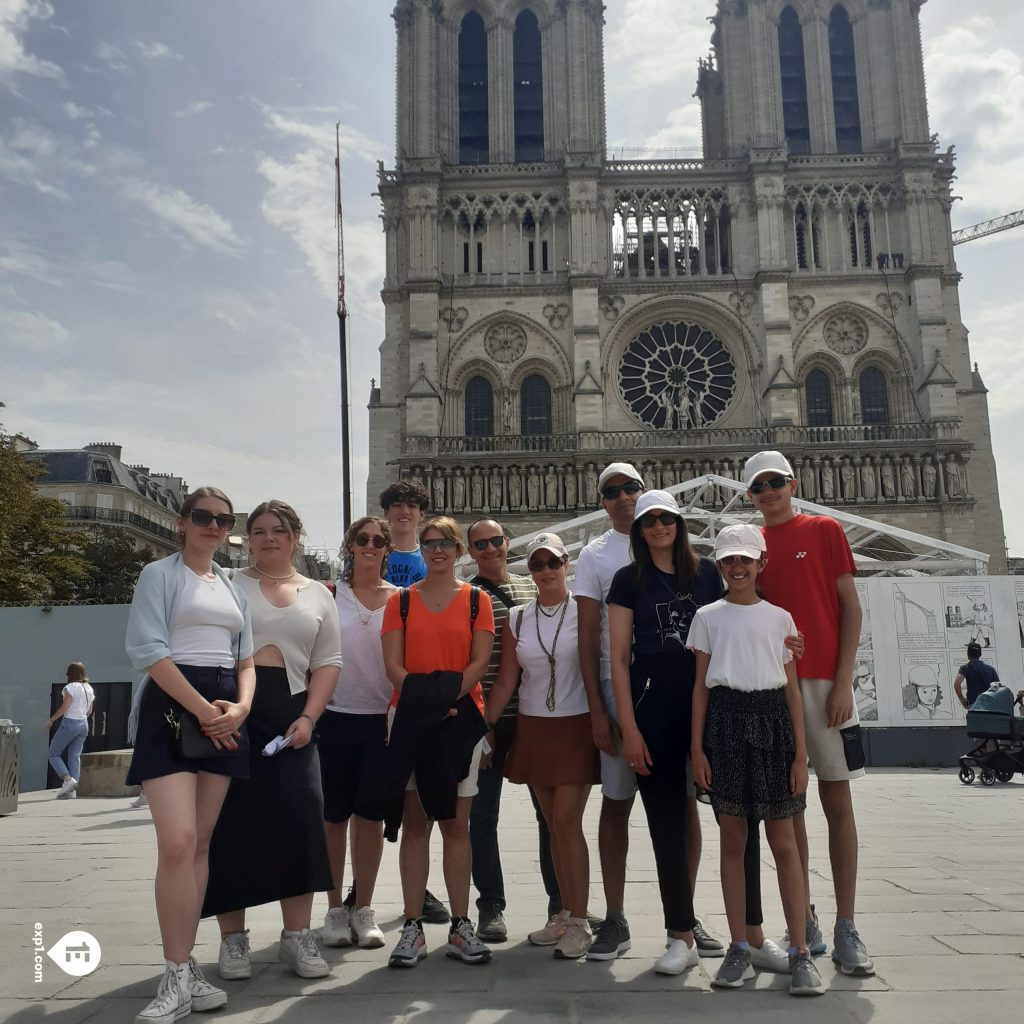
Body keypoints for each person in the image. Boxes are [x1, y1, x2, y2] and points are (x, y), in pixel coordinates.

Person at [575, 463, 722, 962]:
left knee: (686, 805)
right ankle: (615, 918)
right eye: (611, 491)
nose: (624, 498)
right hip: (632, 698)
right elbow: (597, 643)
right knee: (618, 802)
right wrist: (603, 711)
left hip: (696, 702)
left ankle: (687, 913)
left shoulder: (708, 573)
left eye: (630, 490)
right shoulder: (602, 562)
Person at [124, 486, 256, 1024]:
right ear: (182, 522)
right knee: (177, 842)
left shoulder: (230, 583)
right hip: (177, 705)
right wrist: (205, 709)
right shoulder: (159, 574)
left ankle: (187, 968)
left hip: (223, 707)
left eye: (223, 520)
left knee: (200, 843)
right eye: (202, 517)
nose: (213, 526)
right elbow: (149, 650)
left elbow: (245, 656)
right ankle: (175, 972)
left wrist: (242, 708)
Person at [744, 450, 874, 976]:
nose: (769, 491)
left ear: (792, 483)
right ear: (750, 494)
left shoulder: (824, 530)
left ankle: (847, 924)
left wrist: (844, 682)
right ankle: (807, 919)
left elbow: (851, 609)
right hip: (777, 690)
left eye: (775, 482)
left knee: (837, 800)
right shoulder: (750, 545)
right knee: (788, 808)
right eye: (758, 486)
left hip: (826, 686)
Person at [204, 501, 342, 980]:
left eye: (278, 530)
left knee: (301, 819)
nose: (268, 538)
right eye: (258, 531)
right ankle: (232, 940)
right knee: (230, 826)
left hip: (292, 716)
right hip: (233, 712)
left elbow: (329, 662)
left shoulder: (320, 593)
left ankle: (297, 937)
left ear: (296, 536)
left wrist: (308, 717)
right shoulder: (226, 582)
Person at [688, 523, 823, 996]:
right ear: (720, 567)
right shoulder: (706, 617)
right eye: (728, 561)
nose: (737, 567)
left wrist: (801, 753)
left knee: (784, 842)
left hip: (772, 723)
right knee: (733, 838)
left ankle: (802, 950)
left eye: (745, 559)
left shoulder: (781, 619)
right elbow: (700, 688)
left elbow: (792, 690)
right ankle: (740, 946)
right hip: (724, 721)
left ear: (761, 563)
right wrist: (696, 748)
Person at [381, 516, 495, 968]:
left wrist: (443, 698)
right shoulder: (401, 602)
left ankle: (461, 923)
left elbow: (480, 663)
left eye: (446, 543)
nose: (437, 551)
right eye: (429, 544)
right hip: (410, 717)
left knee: (455, 823)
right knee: (415, 823)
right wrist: (429, 702)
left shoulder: (477, 600)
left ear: (458, 549)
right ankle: (412, 926)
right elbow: (392, 665)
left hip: (458, 718)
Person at [485, 533, 599, 960]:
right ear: (528, 571)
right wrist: (486, 725)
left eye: (554, 562)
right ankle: (566, 912)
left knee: (568, 822)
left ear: (567, 564)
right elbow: (507, 679)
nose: (547, 571)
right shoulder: (517, 617)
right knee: (553, 824)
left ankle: (582, 921)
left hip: (575, 724)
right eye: (538, 565)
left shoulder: (587, 611)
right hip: (535, 726)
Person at [466, 518, 559, 944]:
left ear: (508, 544)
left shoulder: (530, 588)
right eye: (480, 544)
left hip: (531, 718)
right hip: (487, 717)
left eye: (495, 541)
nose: (489, 549)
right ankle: (491, 907)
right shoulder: (466, 596)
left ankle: (562, 904)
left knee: (550, 816)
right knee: (483, 816)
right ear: (471, 553)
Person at [319, 516, 397, 951]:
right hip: (334, 715)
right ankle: (334, 909)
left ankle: (363, 906)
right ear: (349, 545)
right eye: (362, 539)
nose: (370, 546)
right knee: (333, 818)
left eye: (378, 541)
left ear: (388, 548)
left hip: (380, 719)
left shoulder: (402, 599)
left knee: (371, 818)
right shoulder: (328, 595)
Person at [45, 662, 94, 799]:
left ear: (70, 674)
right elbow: (89, 710)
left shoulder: (70, 687)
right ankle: (72, 791)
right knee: (74, 756)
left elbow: (65, 707)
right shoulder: (88, 688)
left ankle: (67, 780)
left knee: (53, 753)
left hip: (70, 723)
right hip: (84, 724)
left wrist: (52, 720)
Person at [380, 480, 429, 588]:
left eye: (411, 505)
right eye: (397, 505)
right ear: (386, 513)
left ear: (422, 514)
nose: (405, 511)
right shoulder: (374, 555)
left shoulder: (431, 558)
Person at [953, 642, 999, 710]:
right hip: (989, 707)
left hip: (974, 706)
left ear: (968, 655)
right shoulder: (991, 669)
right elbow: (998, 688)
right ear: (980, 654)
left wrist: (962, 699)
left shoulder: (965, 668)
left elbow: (957, 683)